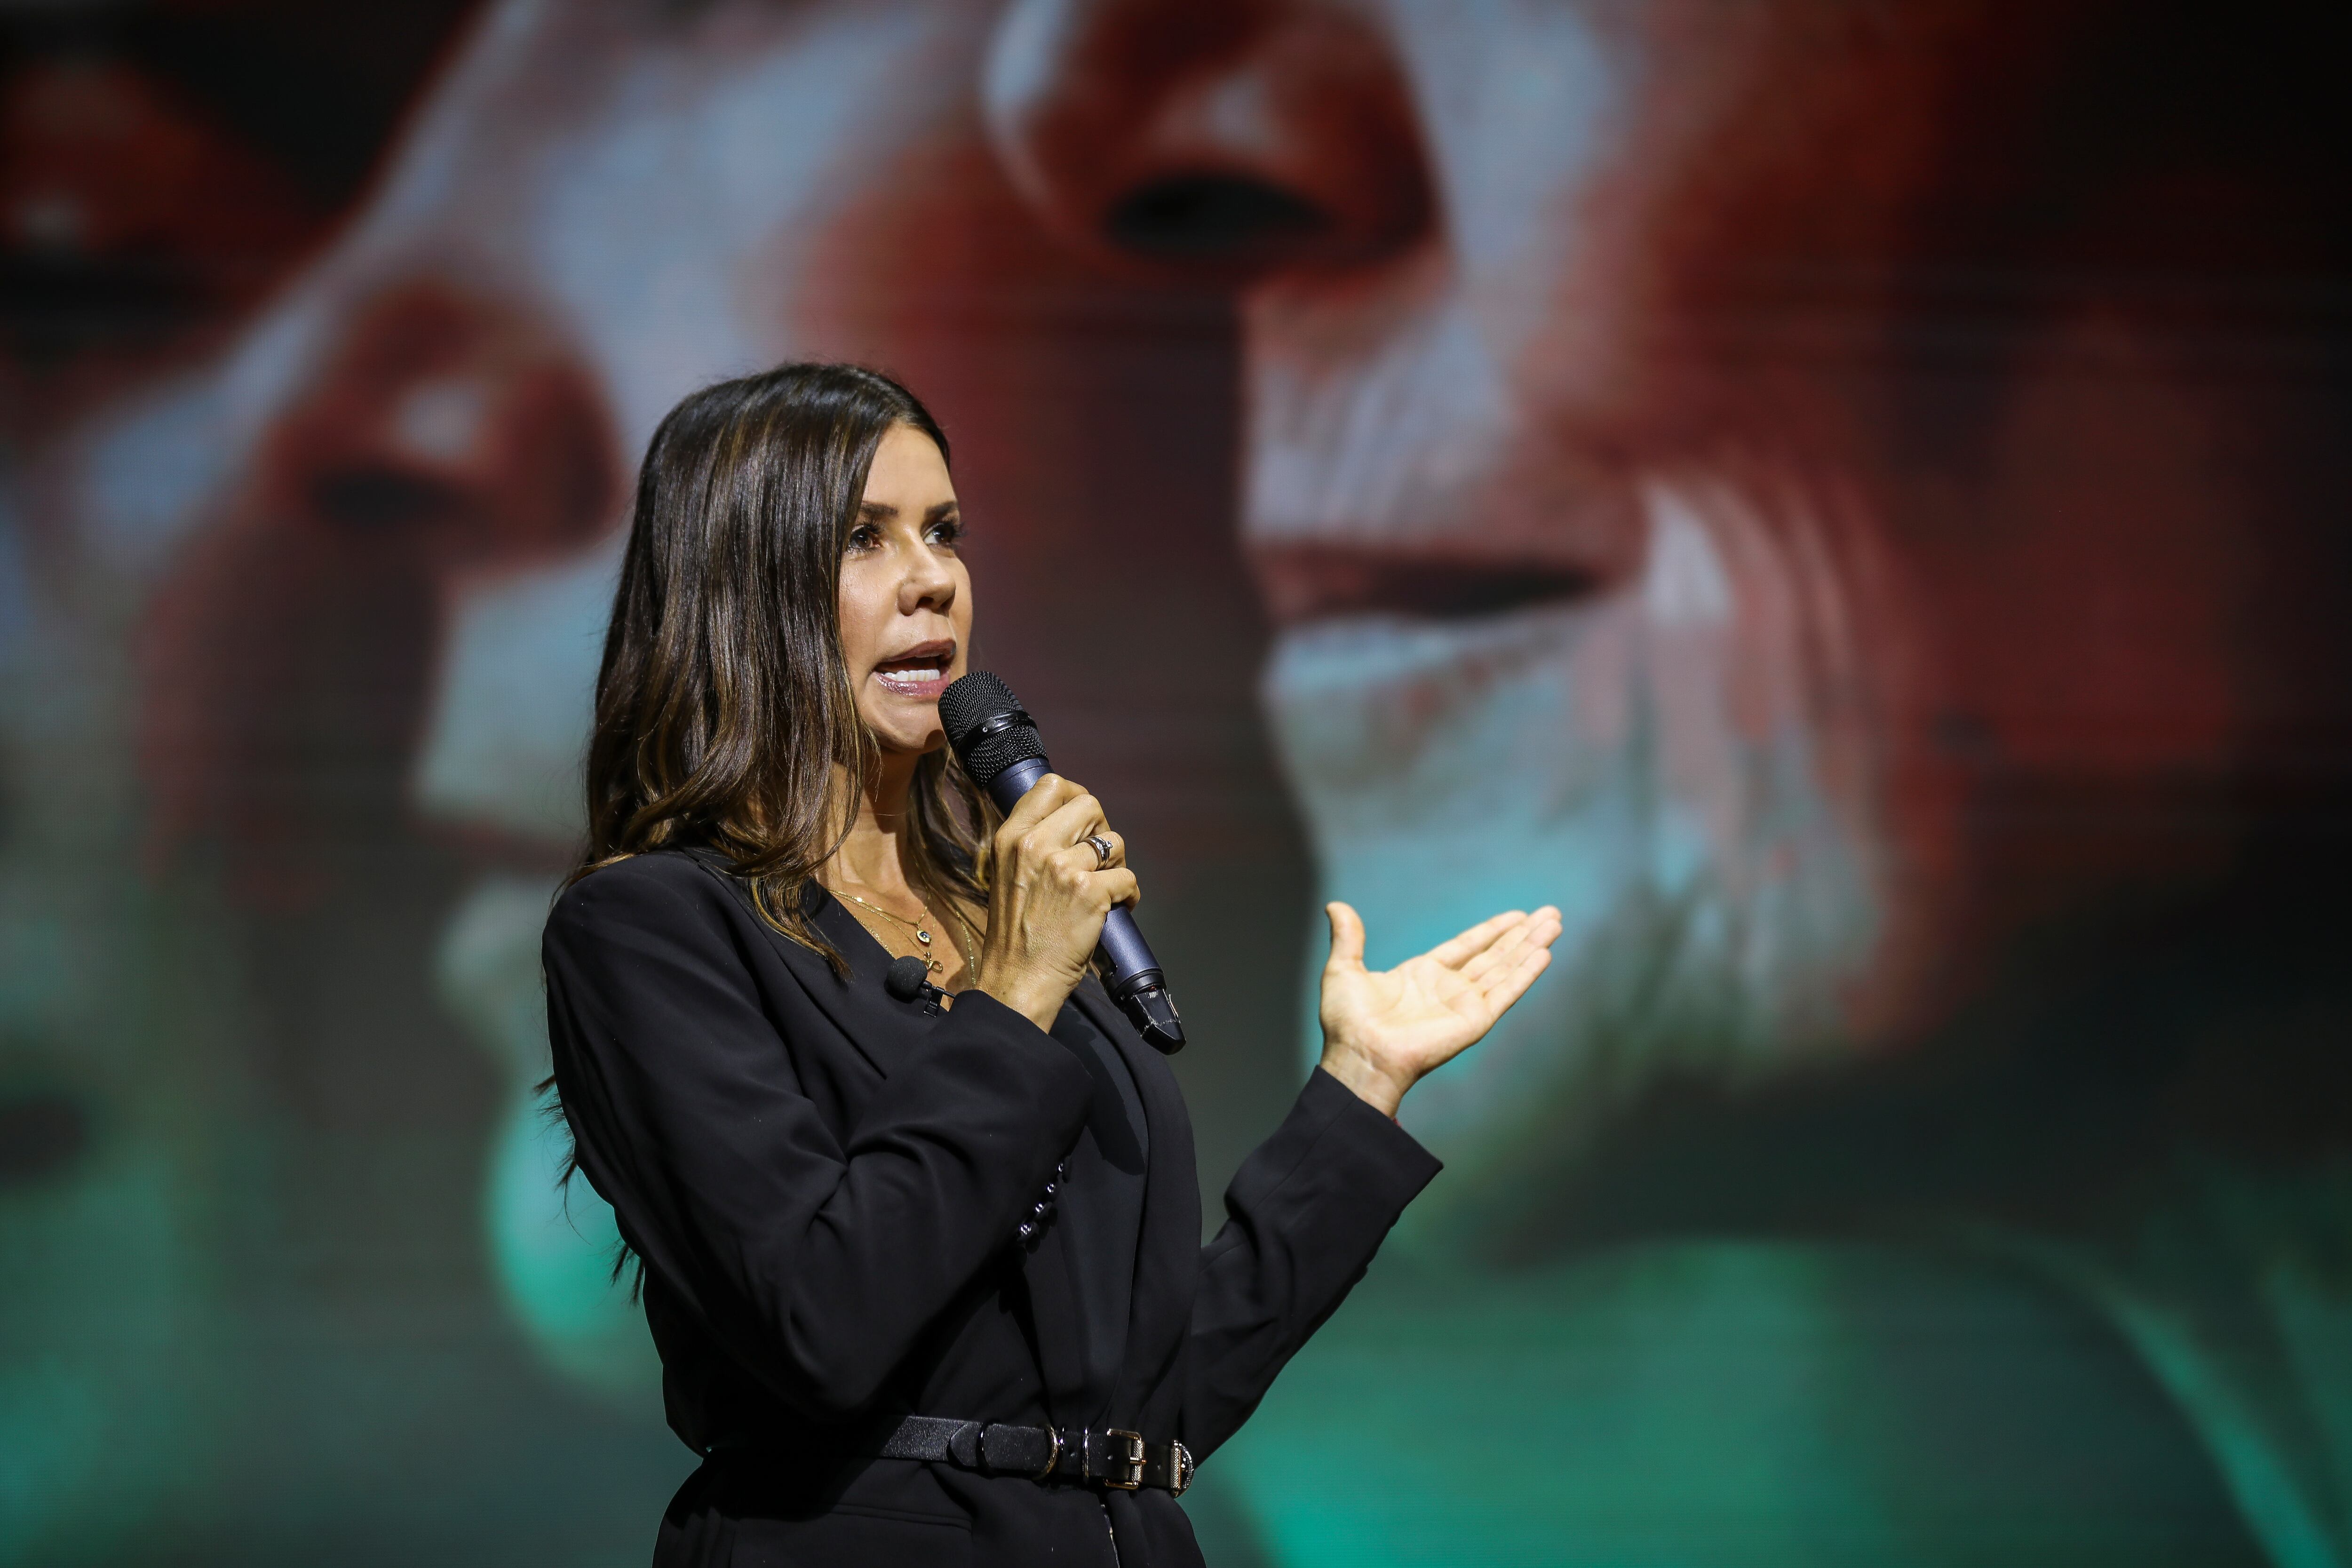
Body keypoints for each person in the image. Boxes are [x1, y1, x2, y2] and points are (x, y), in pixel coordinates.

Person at [540, 361, 1560, 1566]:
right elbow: (822, 1318)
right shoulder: (654, 928)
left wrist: (1359, 1092)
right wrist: (1015, 992)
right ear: (742, 590)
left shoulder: (1005, 911)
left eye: (943, 532)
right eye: (863, 539)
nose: (931, 580)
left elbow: (1148, 1406)